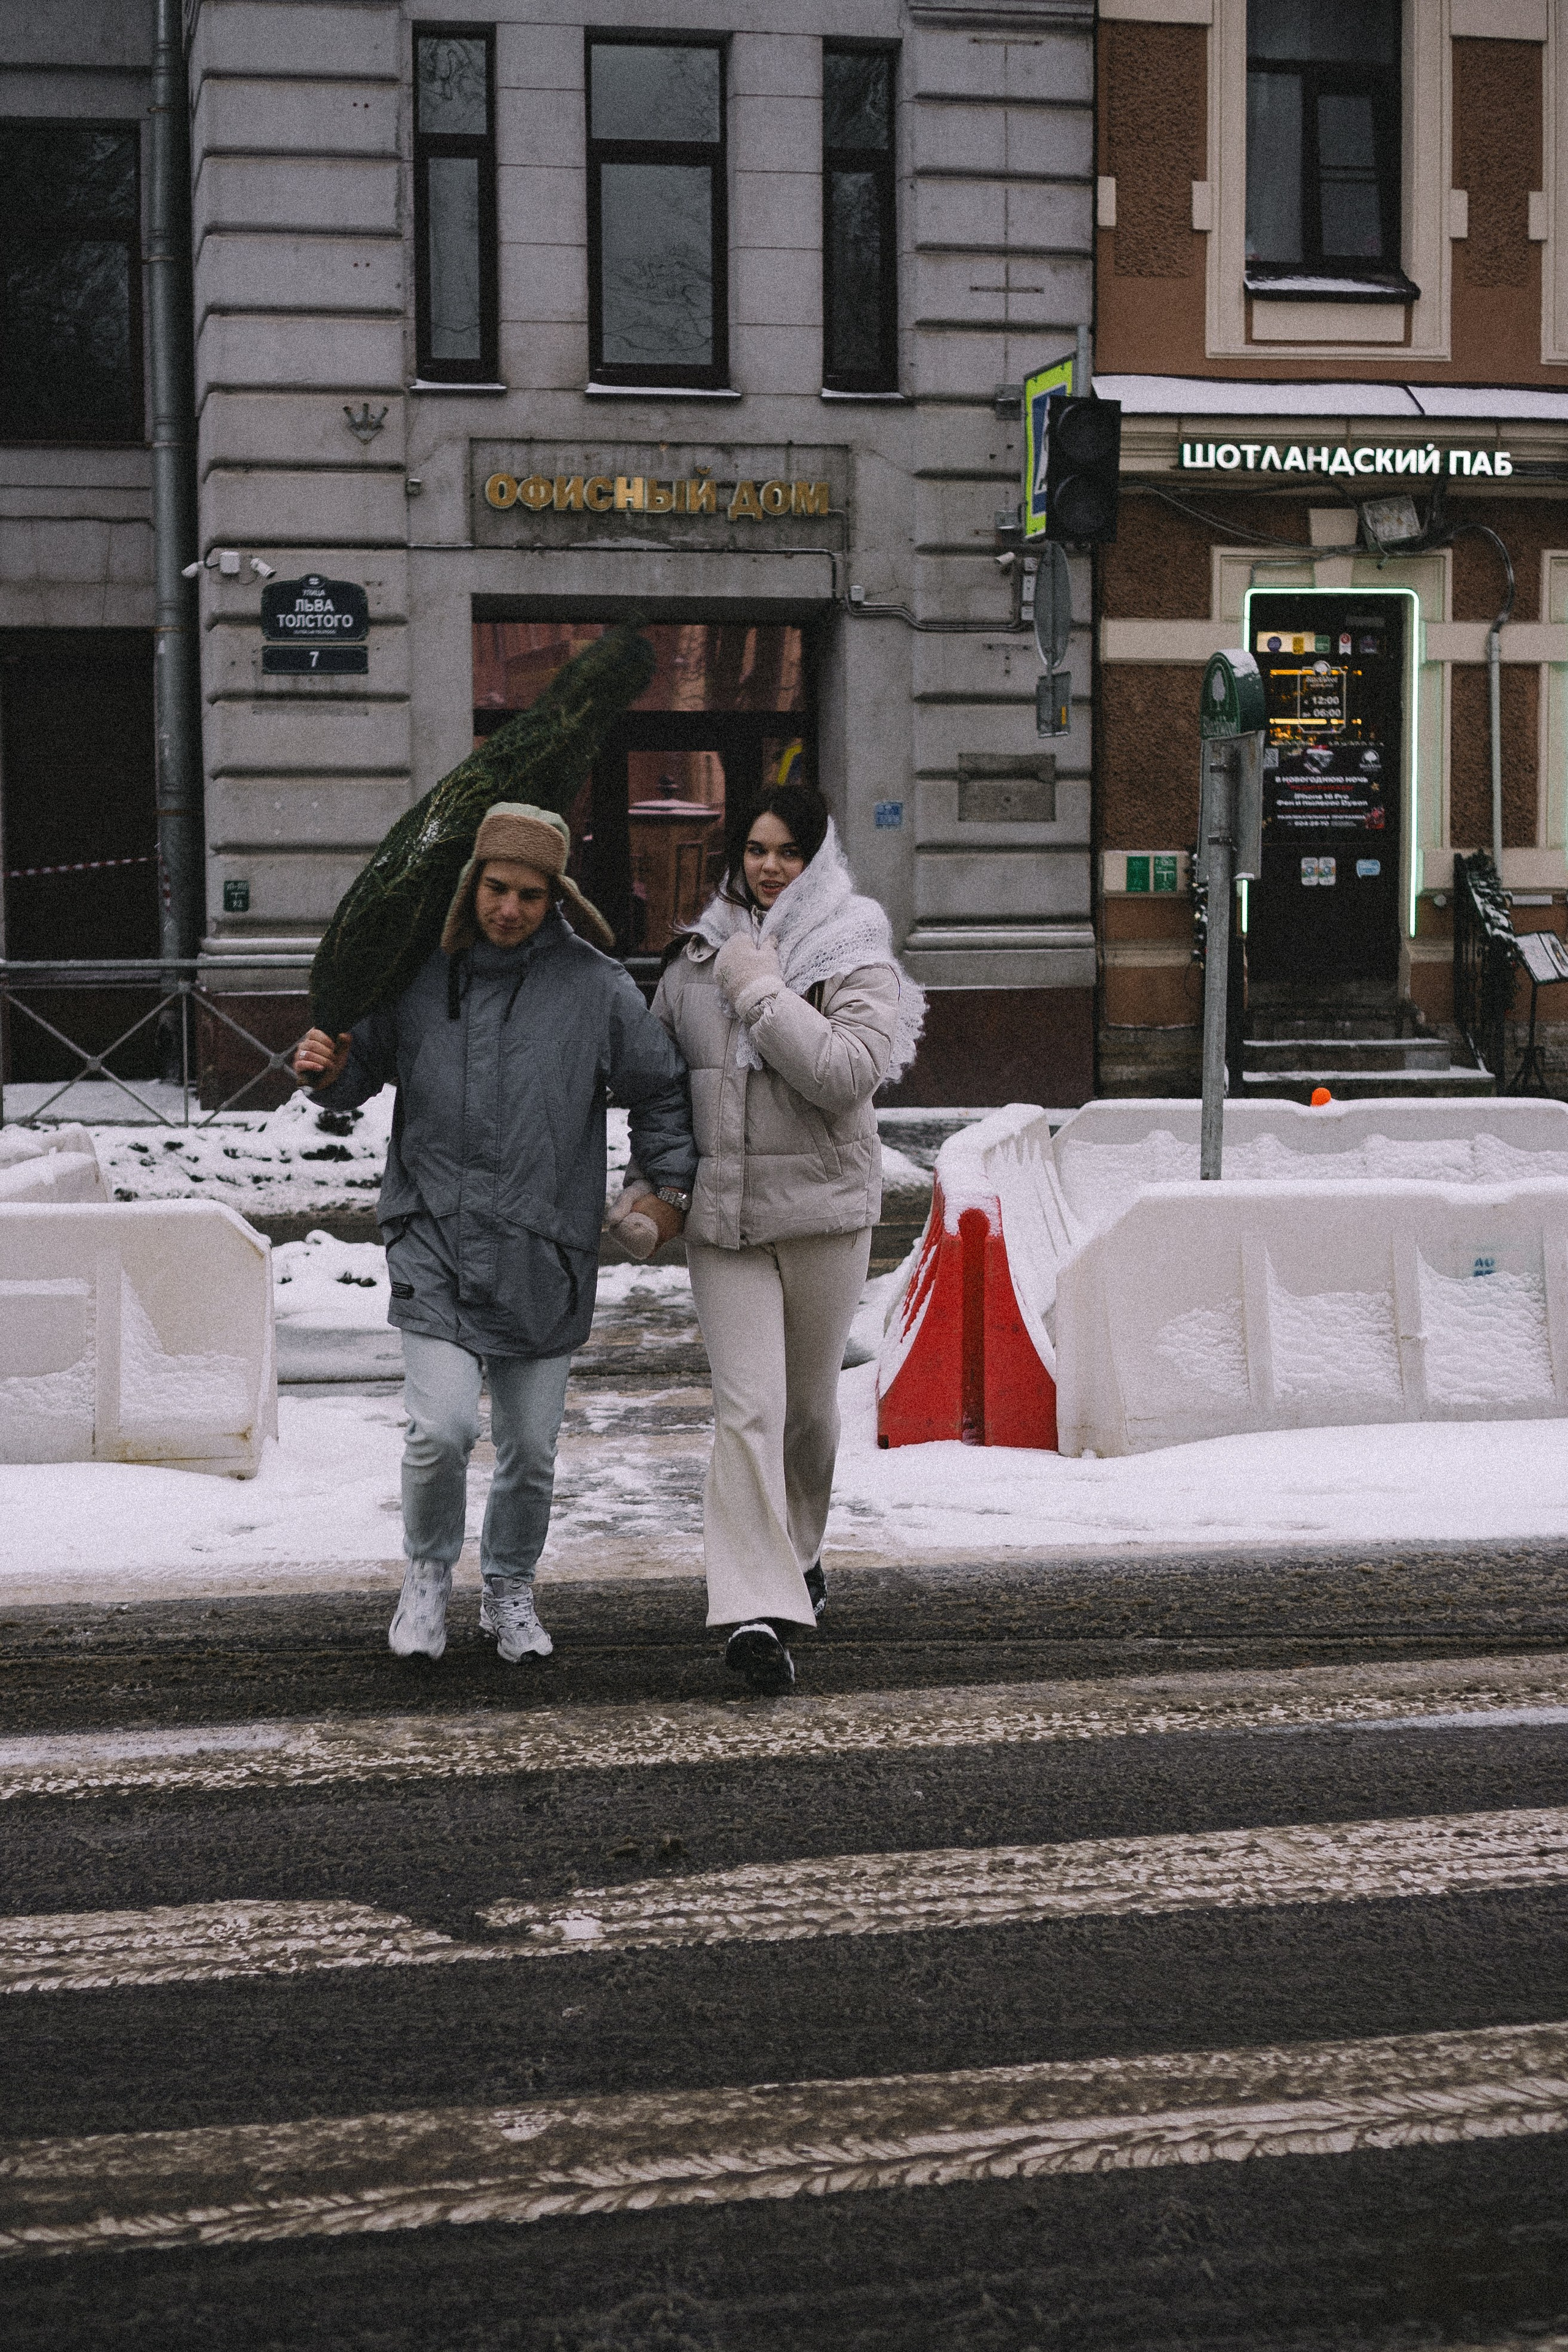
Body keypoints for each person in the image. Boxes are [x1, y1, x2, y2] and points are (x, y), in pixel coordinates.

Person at [293, 801, 696, 1665]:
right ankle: (429, 1575)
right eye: (495, 887)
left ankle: (510, 1584)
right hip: (433, 1235)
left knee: (531, 1449)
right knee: (439, 1430)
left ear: (557, 898)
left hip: (544, 1248)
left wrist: (665, 1192)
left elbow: (661, 1088)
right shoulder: (421, 974)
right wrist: (329, 1071)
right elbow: (361, 1066)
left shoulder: (595, 989)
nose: (508, 909)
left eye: (529, 894)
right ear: (471, 883)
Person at [650, 776, 925, 1694]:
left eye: (788, 852)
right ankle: (752, 1608)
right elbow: (660, 1093)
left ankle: (799, 1550)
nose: (769, 868)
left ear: (817, 860)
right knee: (748, 1411)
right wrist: (648, 1188)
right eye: (757, 850)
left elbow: (848, 1073)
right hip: (724, 1225)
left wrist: (764, 994)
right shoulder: (695, 959)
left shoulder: (854, 949)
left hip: (821, 1216)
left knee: (807, 1416)